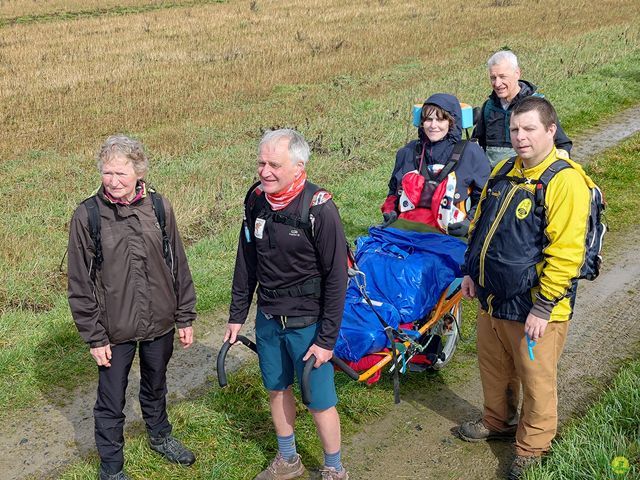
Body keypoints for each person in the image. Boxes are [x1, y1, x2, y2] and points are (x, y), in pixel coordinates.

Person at [458, 97, 591, 479]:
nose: (520, 137)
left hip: (535, 307)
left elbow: (566, 252)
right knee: (495, 368)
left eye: (529, 129)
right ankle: (498, 421)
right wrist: (471, 271)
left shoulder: (565, 181)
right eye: (515, 129)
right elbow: (479, 226)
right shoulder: (503, 170)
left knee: (536, 379)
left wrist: (545, 305)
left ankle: (533, 447)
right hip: (493, 298)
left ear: (551, 130)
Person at [67, 135, 197, 480]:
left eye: (121, 173)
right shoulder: (88, 216)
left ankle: (160, 435)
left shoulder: (158, 207)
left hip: (161, 321)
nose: (113, 181)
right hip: (113, 329)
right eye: (107, 173)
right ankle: (111, 469)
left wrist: (184, 315)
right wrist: (94, 337)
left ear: (139, 172)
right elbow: (79, 284)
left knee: (156, 383)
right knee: (111, 400)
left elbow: (177, 264)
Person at [224, 129, 349, 480]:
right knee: (276, 389)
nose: (264, 171)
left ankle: (334, 468)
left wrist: (326, 340)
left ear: (298, 166)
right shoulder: (256, 201)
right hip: (268, 319)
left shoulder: (319, 209)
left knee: (319, 401)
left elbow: (337, 279)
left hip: (308, 324)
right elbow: (245, 260)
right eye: (261, 163)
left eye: (274, 165)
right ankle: (288, 459)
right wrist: (237, 316)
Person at [381, 93, 491, 237]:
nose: (433, 125)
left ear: (451, 122)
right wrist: (391, 212)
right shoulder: (408, 152)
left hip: (450, 235)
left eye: (440, 120)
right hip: (407, 230)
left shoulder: (471, 153)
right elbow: (393, 193)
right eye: (428, 119)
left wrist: (469, 222)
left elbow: (485, 198)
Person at [472, 50, 573, 167]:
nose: (497, 83)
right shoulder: (488, 107)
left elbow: (562, 144)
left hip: (529, 178)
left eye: (502, 76)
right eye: (493, 78)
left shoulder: (538, 105)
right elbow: (478, 144)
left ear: (517, 73)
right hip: (495, 179)